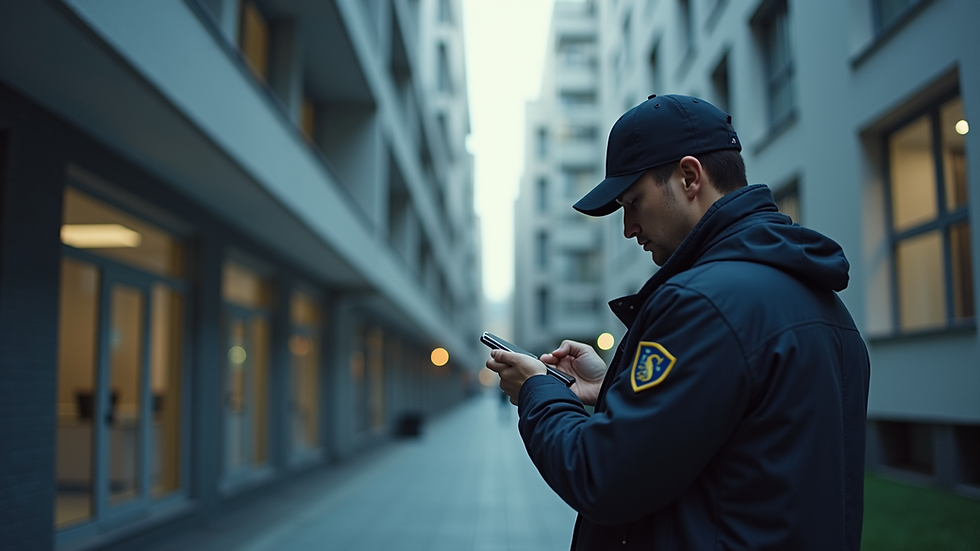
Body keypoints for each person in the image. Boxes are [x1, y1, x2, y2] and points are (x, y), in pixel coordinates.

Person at [486, 94, 870, 550]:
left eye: (633, 202)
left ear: (690, 177)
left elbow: (603, 478)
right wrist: (615, 383)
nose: (629, 228)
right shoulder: (811, 294)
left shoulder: (705, 302)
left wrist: (538, 390)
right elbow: (738, 438)